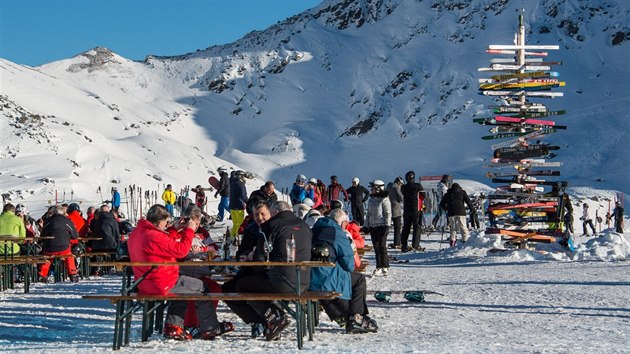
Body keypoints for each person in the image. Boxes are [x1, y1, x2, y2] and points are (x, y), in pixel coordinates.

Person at [127, 204, 232, 340]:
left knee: (184, 287)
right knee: (203, 288)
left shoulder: (138, 232)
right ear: (159, 222)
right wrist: (188, 230)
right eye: (166, 223)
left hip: (145, 281)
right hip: (160, 281)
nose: (167, 225)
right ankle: (210, 328)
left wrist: (175, 228)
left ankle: (173, 326)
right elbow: (181, 250)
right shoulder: (153, 235)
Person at [227, 201, 312, 341]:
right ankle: (271, 319)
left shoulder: (271, 225)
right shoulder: (304, 225)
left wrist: (252, 259)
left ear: (274, 213)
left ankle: (274, 317)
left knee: (242, 285)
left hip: (281, 281)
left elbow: (259, 260)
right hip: (303, 281)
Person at [309, 208, 378, 333]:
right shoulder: (337, 233)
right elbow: (348, 265)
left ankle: (341, 315)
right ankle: (356, 317)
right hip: (327, 278)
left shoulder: (314, 230)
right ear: (342, 223)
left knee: (324, 286)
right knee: (359, 279)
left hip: (309, 278)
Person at [38, 205, 80, 282]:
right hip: (63, 248)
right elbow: (75, 236)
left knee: (47, 256)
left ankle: (42, 274)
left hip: (49, 248)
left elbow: (42, 235)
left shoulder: (47, 221)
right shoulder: (67, 221)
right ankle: (72, 273)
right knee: (69, 256)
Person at [366, 180, 392, 276]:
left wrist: (387, 225)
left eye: (373, 188)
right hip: (373, 226)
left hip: (382, 226)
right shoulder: (371, 200)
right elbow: (368, 214)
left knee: (382, 246)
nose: (371, 190)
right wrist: (366, 226)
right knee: (376, 247)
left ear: (378, 188)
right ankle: (378, 266)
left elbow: (388, 213)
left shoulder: (384, 199)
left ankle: (385, 266)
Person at [440, 183, 474, 248]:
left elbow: (441, 204)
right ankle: (465, 242)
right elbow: (468, 201)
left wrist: (446, 209)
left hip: (451, 213)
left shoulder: (447, 194)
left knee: (453, 229)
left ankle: (452, 244)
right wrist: (472, 209)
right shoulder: (462, 192)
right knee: (463, 228)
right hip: (461, 212)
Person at [400, 171, 425, 252]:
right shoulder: (418, 186)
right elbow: (423, 195)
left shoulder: (403, 187)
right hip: (416, 209)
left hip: (407, 210)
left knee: (406, 228)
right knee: (417, 227)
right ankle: (415, 245)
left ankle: (404, 246)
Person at [229, 170, 248, 238]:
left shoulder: (232, 182)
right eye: (243, 176)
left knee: (235, 224)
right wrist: (248, 202)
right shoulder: (240, 184)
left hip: (232, 206)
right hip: (239, 206)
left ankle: (232, 237)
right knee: (240, 224)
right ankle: (237, 238)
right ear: (241, 176)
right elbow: (243, 196)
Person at [386, 177, 404, 249]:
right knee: (397, 227)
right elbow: (401, 198)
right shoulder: (397, 188)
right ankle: (397, 243)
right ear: (399, 182)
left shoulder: (389, 186)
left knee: (387, 226)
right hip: (396, 209)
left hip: (388, 208)